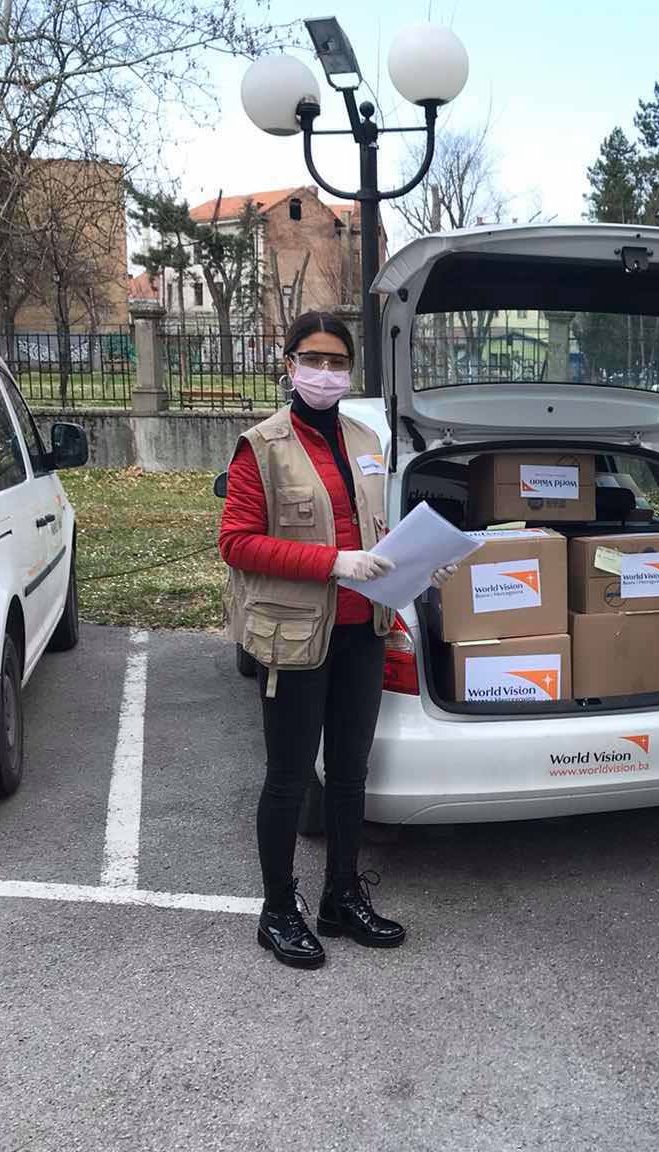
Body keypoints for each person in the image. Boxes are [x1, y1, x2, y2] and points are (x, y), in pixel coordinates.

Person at [219, 311, 456, 969]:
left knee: (351, 774)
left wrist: (413, 562)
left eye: (337, 362)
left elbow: (376, 528)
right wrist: (333, 561)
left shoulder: (361, 437)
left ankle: (340, 898)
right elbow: (236, 543)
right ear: (289, 365)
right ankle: (277, 911)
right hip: (296, 638)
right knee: (290, 780)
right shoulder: (261, 446)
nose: (326, 372)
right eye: (313, 360)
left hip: (364, 631)